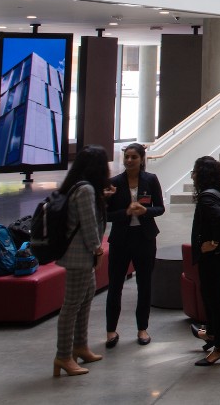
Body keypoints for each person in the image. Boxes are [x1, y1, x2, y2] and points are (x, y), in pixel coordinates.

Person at [52, 144, 109, 378]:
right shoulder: (84, 190)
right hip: (79, 256)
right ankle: (63, 355)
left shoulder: (81, 187)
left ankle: (80, 345)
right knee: (72, 305)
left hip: (82, 255)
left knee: (85, 299)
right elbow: (88, 225)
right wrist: (98, 250)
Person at [104, 143, 164, 348]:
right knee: (115, 286)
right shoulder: (114, 183)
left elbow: (160, 208)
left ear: (142, 159)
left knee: (144, 285)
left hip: (145, 238)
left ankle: (142, 328)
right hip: (121, 239)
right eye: (127, 157)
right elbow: (106, 214)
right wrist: (126, 213)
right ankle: (111, 330)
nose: (129, 161)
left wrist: (145, 211)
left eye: (133, 157)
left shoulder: (150, 180)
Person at [190, 156, 220, 366]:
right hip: (219, 258)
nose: (193, 176)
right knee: (211, 297)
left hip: (213, 258)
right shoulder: (218, 193)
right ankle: (212, 335)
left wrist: (211, 243)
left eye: (195, 172)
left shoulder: (207, 199)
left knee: (215, 300)